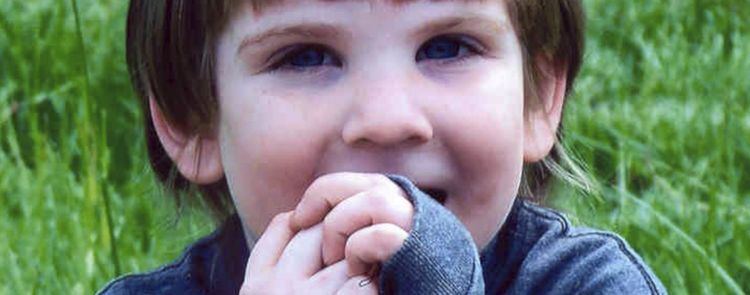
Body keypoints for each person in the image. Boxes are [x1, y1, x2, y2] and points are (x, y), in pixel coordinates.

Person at [99, 0, 667, 294]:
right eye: (306, 56)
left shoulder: (588, 285)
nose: (386, 120)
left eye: (446, 47)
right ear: (191, 119)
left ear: (537, 99)